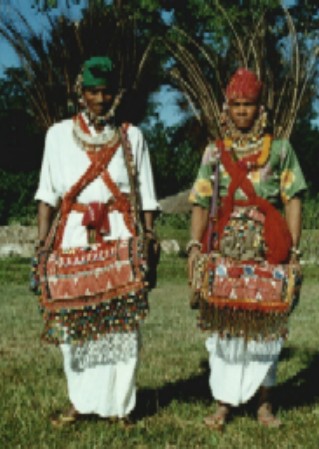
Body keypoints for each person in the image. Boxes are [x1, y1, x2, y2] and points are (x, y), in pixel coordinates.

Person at [34, 56, 159, 425]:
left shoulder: (132, 136)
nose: (100, 99)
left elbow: (146, 195)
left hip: (120, 233)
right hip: (72, 236)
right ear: (80, 92)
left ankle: (121, 406)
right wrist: (43, 242)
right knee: (74, 320)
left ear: (116, 94)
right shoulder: (57, 135)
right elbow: (47, 194)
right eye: (92, 91)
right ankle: (80, 401)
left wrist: (148, 238)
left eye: (106, 91)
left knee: (122, 322)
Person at [187, 67, 306, 430]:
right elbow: (200, 201)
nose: (242, 111)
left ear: (260, 108)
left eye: (248, 105)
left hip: (269, 251)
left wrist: (294, 251)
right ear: (227, 108)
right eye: (236, 104)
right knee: (223, 329)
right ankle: (223, 403)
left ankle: (264, 404)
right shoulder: (214, 152)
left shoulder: (280, 151)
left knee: (266, 328)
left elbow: (293, 199)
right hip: (224, 250)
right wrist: (195, 246)